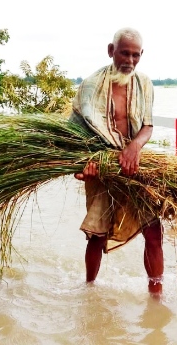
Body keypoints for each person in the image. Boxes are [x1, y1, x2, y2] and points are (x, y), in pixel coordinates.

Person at [69, 28, 164, 294]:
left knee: (154, 231)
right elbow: (75, 133)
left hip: (135, 165)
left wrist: (134, 147)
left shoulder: (144, 84)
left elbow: (147, 126)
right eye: (124, 53)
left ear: (141, 55)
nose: (129, 61)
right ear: (111, 51)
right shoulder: (90, 86)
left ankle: (156, 297)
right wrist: (82, 167)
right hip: (102, 165)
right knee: (97, 235)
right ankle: (89, 290)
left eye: (135, 55)